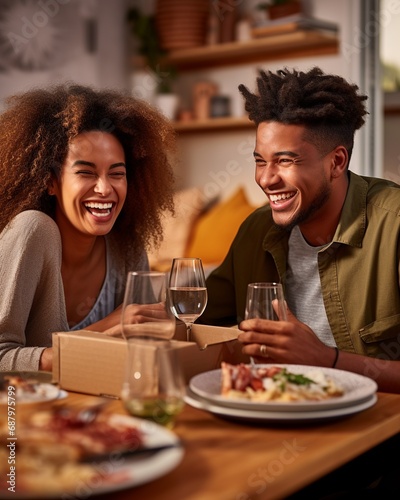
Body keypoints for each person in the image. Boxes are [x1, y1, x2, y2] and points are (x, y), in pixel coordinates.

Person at [200, 67, 400, 394]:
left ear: (336, 162)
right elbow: (199, 321)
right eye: (260, 161)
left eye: (286, 161)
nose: (266, 179)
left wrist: (325, 359)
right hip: (277, 414)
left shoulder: (393, 224)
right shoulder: (256, 229)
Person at [0, 83, 176, 372]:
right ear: (50, 182)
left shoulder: (127, 247)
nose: (105, 188)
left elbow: (141, 354)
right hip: (22, 411)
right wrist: (107, 327)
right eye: (86, 172)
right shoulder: (32, 231)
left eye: (117, 174)